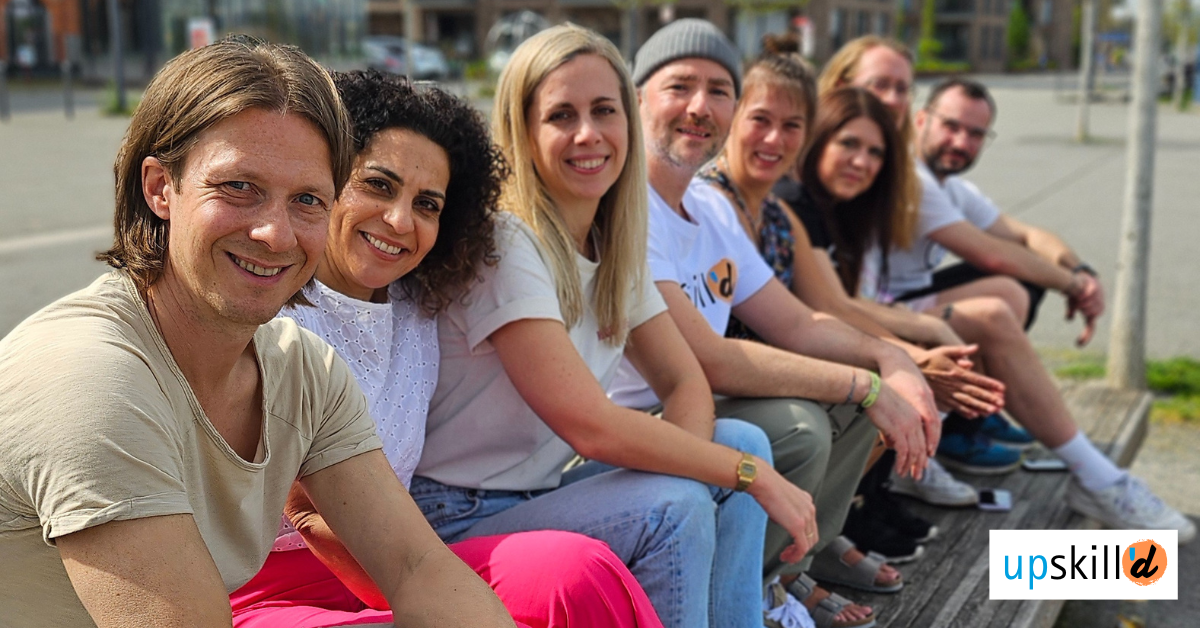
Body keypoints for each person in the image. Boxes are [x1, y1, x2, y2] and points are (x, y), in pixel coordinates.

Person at [0, 38, 513, 627]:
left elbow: (418, 568)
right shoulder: (89, 379)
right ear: (160, 188)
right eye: (239, 187)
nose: (275, 233)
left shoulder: (303, 370)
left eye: (307, 199)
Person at [408, 24, 819, 628]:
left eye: (604, 110)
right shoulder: (507, 242)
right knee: (677, 504)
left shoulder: (612, 244)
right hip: (455, 517)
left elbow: (684, 381)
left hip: (536, 493)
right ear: (523, 131)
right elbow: (591, 428)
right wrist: (743, 479)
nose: (588, 134)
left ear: (628, 120)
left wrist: (714, 472)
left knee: (741, 443)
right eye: (561, 116)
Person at [228, 71, 664, 628]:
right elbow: (314, 518)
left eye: (427, 204)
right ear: (328, 181)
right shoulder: (270, 301)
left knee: (580, 572)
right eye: (378, 185)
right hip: (266, 588)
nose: (399, 220)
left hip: (405, 562)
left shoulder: (421, 306)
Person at [608, 18, 943, 628]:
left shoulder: (708, 205)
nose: (699, 106)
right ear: (637, 99)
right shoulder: (626, 208)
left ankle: (779, 575)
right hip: (634, 426)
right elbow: (706, 358)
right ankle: (742, 591)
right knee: (803, 427)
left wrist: (891, 359)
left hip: (697, 405)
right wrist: (867, 384)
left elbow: (797, 321)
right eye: (679, 86)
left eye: (718, 90)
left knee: (855, 396)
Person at [887, 77, 1193, 541]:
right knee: (997, 304)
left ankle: (961, 421)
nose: (961, 142)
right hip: (875, 314)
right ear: (922, 120)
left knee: (1015, 288)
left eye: (975, 134)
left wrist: (1080, 270)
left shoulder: (951, 187)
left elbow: (1027, 236)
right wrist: (1074, 285)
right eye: (951, 126)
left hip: (898, 304)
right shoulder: (914, 179)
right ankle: (1096, 477)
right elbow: (993, 254)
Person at [809, 36, 1032, 482]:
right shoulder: (811, 186)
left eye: (902, 88)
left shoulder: (886, 176)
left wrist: (1077, 273)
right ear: (840, 87)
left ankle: (938, 444)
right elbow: (824, 305)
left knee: (1013, 291)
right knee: (977, 315)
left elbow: (1016, 236)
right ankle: (921, 459)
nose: (893, 99)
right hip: (831, 320)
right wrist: (910, 349)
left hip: (866, 307)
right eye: (880, 84)